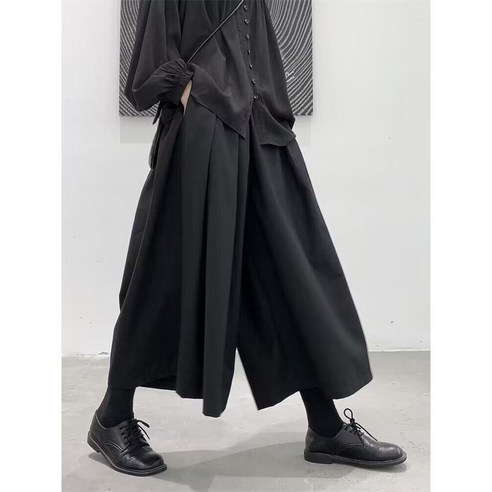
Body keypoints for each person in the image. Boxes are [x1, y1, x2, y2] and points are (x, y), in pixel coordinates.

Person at [87, 0, 406, 476]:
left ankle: (325, 426)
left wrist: (271, 111)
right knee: (165, 277)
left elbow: (260, 45)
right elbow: (153, 61)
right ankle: (112, 417)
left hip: (260, 132)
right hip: (203, 137)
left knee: (292, 271)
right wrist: (195, 94)